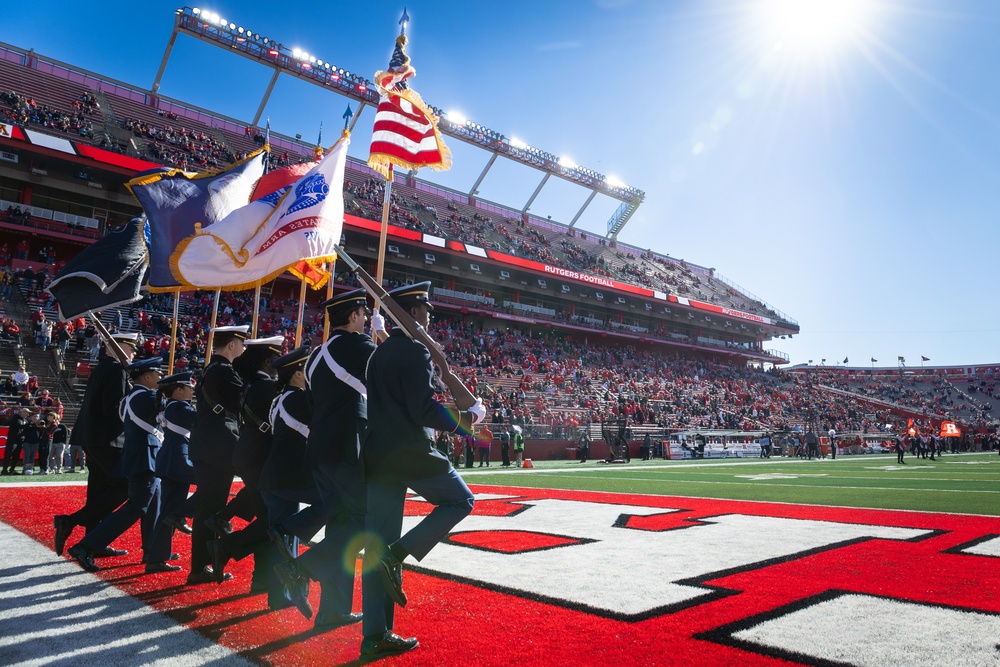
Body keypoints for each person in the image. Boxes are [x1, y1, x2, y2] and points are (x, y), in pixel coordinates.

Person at [360, 282, 485, 662]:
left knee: (375, 546)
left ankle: (375, 634)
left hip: (379, 456)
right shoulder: (415, 351)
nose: (430, 316)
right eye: (426, 309)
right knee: (461, 500)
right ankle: (398, 555)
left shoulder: (378, 354)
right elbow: (423, 411)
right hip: (410, 453)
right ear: (414, 313)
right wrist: (467, 421)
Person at [274, 290, 382, 630]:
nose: (366, 321)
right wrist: (382, 338)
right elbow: (392, 368)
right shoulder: (357, 347)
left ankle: (332, 610)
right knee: (367, 521)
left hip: (321, 452)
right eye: (364, 315)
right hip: (346, 449)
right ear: (353, 317)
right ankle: (300, 568)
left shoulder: (316, 356)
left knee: (340, 527)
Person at [67, 357, 164, 572]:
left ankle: (153, 550)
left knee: (154, 504)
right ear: (147, 377)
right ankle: (86, 546)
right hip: (144, 457)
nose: (160, 379)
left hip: (148, 455)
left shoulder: (134, 396)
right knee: (137, 505)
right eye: (158, 375)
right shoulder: (145, 397)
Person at [205, 336, 284, 593]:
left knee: (267, 518)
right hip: (259, 456)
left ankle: (260, 578)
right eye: (277, 359)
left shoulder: (253, 384)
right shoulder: (266, 386)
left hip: (249, 454)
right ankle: (227, 547)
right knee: (272, 521)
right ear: (268, 360)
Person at [259, 347, 329, 615]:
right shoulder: (297, 399)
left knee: (281, 544)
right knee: (331, 501)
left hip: (275, 476)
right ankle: (286, 530)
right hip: (289, 477)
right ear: (298, 374)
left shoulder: (279, 400)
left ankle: (279, 597)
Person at [55, 333, 138, 558]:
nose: (134, 352)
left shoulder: (103, 368)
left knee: (98, 491)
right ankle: (70, 521)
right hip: (108, 439)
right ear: (117, 347)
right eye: (130, 348)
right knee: (125, 487)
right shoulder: (116, 370)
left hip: (94, 438)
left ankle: (93, 542)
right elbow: (113, 408)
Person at [188, 325, 248, 585]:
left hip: (207, 447)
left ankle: (203, 565)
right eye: (242, 343)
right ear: (233, 345)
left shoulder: (211, 369)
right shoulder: (224, 371)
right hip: (218, 448)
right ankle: (200, 567)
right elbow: (244, 401)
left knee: (208, 509)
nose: (244, 348)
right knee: (211, 511)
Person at [149, 371, 198, 573]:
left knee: (167, 510)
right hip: (179, 461)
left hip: (173, 461)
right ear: (179, 390)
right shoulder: (180, 407)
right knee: (213, 486)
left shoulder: (173, 406)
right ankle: (181, 514)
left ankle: (157, 557)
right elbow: (203, 421)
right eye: (190, 387)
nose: (192, 391)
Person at [1, 408, 30, 475]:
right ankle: (4, 470)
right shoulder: (16, 418)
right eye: (26, 412)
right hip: (12, 440)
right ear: (21, 412)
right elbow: (19, 426)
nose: (27, 414)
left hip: (20, 440)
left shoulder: (25, 420)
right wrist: (29, 424)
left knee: (16, 456)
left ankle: (12, 470)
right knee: (8, 455)